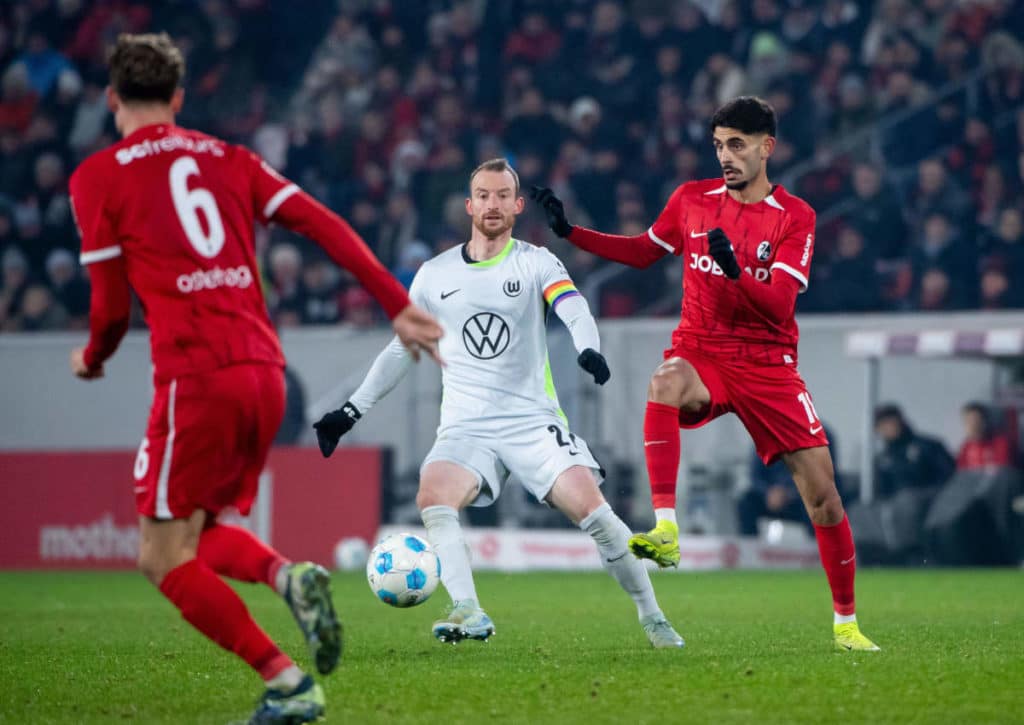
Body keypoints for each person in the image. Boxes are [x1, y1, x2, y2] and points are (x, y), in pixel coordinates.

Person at [68, 33, 442, 725]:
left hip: (195, 376)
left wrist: (92, 357)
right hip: (267, 374)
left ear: (111, 98)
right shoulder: (229, 159)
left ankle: (286, 681)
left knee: (160, 556)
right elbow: (322, 223)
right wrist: (396, 304)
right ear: (179, 97)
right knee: (199, 529)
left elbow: (112, 310)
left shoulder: (98, 176)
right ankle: (285, 575)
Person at [531, 96, 879, 652]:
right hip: (703, 350)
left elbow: (779, 307)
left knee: (824, 499)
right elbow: (643, 252)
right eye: (718, 145)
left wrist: (736, 273)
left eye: (737, 145)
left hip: (768, 365)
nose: (725, 156)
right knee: (664, 381)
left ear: (767, 147)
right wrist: (573, 233)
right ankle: (666, 529)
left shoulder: (796, 217)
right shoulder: (692, 200)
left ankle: (846, 624)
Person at [314, 158, 684, 650]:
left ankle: (653, 617)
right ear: (470, 206)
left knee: (596, 514)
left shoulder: (535, 261)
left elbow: (573, 305)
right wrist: (350, 412)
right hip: (465, 426)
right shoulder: (433, 274)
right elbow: (402, 349)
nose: (493, 204)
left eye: (503, 195)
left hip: (531, 420)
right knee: (433, 496)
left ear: (518, 205)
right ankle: (468, 610)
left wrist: (587, 347)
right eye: (484, 196)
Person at [874, 404, 956, 497]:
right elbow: (881, 492)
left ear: (901, 421)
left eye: (891, 421)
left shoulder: (928, 446)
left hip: (932, 500)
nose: (889, 427)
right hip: (896, 504)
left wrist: (923, 495)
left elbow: (949, 478)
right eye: (882, 425)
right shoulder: (882, 459)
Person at [956, 402, 1016, 470]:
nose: (973, 426)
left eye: (976, 421)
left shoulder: (1000, 443)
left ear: (985, 422)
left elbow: (1002, 470)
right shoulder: (965, 448)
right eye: (968, 422)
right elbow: (961, 472)